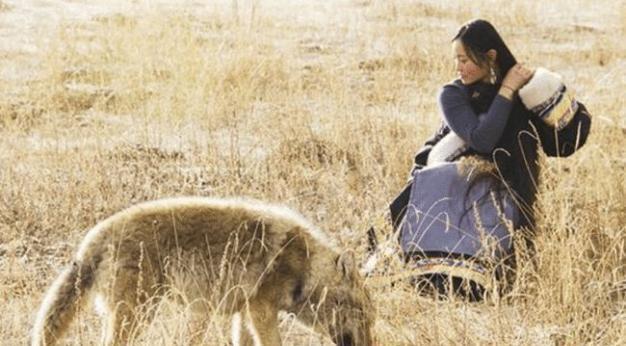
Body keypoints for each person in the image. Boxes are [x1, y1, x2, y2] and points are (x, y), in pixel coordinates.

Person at [390, 19, 548, 301]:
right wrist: (506, 91)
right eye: (456, 59)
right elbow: (482, 139)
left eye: (465, 59)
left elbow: (555, 144)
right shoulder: (452, 94)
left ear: (490, 58)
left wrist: (538, 90)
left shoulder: (519, 93)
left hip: (496, 188)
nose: (458, 67)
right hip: (441, 183)